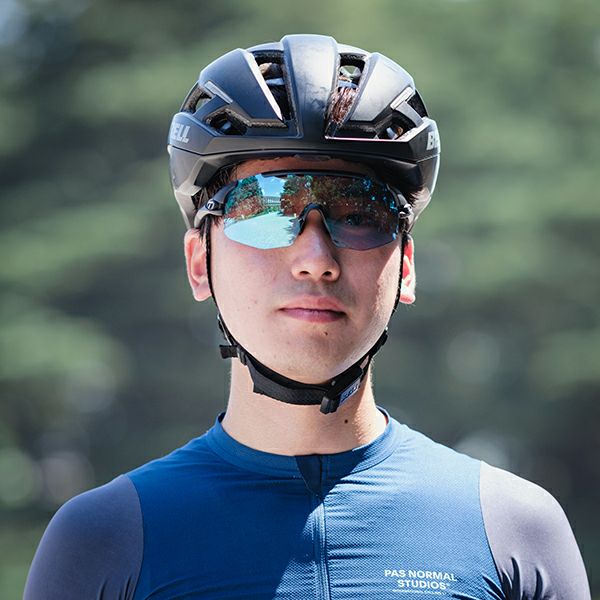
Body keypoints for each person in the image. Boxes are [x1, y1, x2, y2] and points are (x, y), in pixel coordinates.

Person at [24, 34, 591, 600]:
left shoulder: (516, 530)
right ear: (200, 263)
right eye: (265, 211)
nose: (316, 260)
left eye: (360, 214)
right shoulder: (103, 541)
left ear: (406, 267)